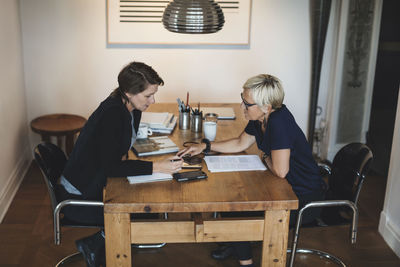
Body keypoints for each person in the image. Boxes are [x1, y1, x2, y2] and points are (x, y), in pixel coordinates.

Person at [178, 74, 326, 267]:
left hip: (302, 196)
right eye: (243, 99)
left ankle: (246, 262)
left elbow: (281, 170)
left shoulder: (278, 122)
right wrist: (205, 146)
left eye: (247, 104)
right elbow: (241, 142)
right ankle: (239, 243)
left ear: (267, 106)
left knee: (238, 206)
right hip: (286, 184)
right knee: (229, 198)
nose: (242, 107)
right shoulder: (260, 118)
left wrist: (263, 156)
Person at [57, 61, 183, 267]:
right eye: (148, 95)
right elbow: (112, 167)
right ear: (129, 92)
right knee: (146, 206)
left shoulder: (130, 106)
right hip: (80, 196)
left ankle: (102, 243)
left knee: (146, 196)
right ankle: (102, 244)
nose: (153, 100)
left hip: (96, 180)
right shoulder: (112, 114)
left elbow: (117, 154)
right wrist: (158, 166)